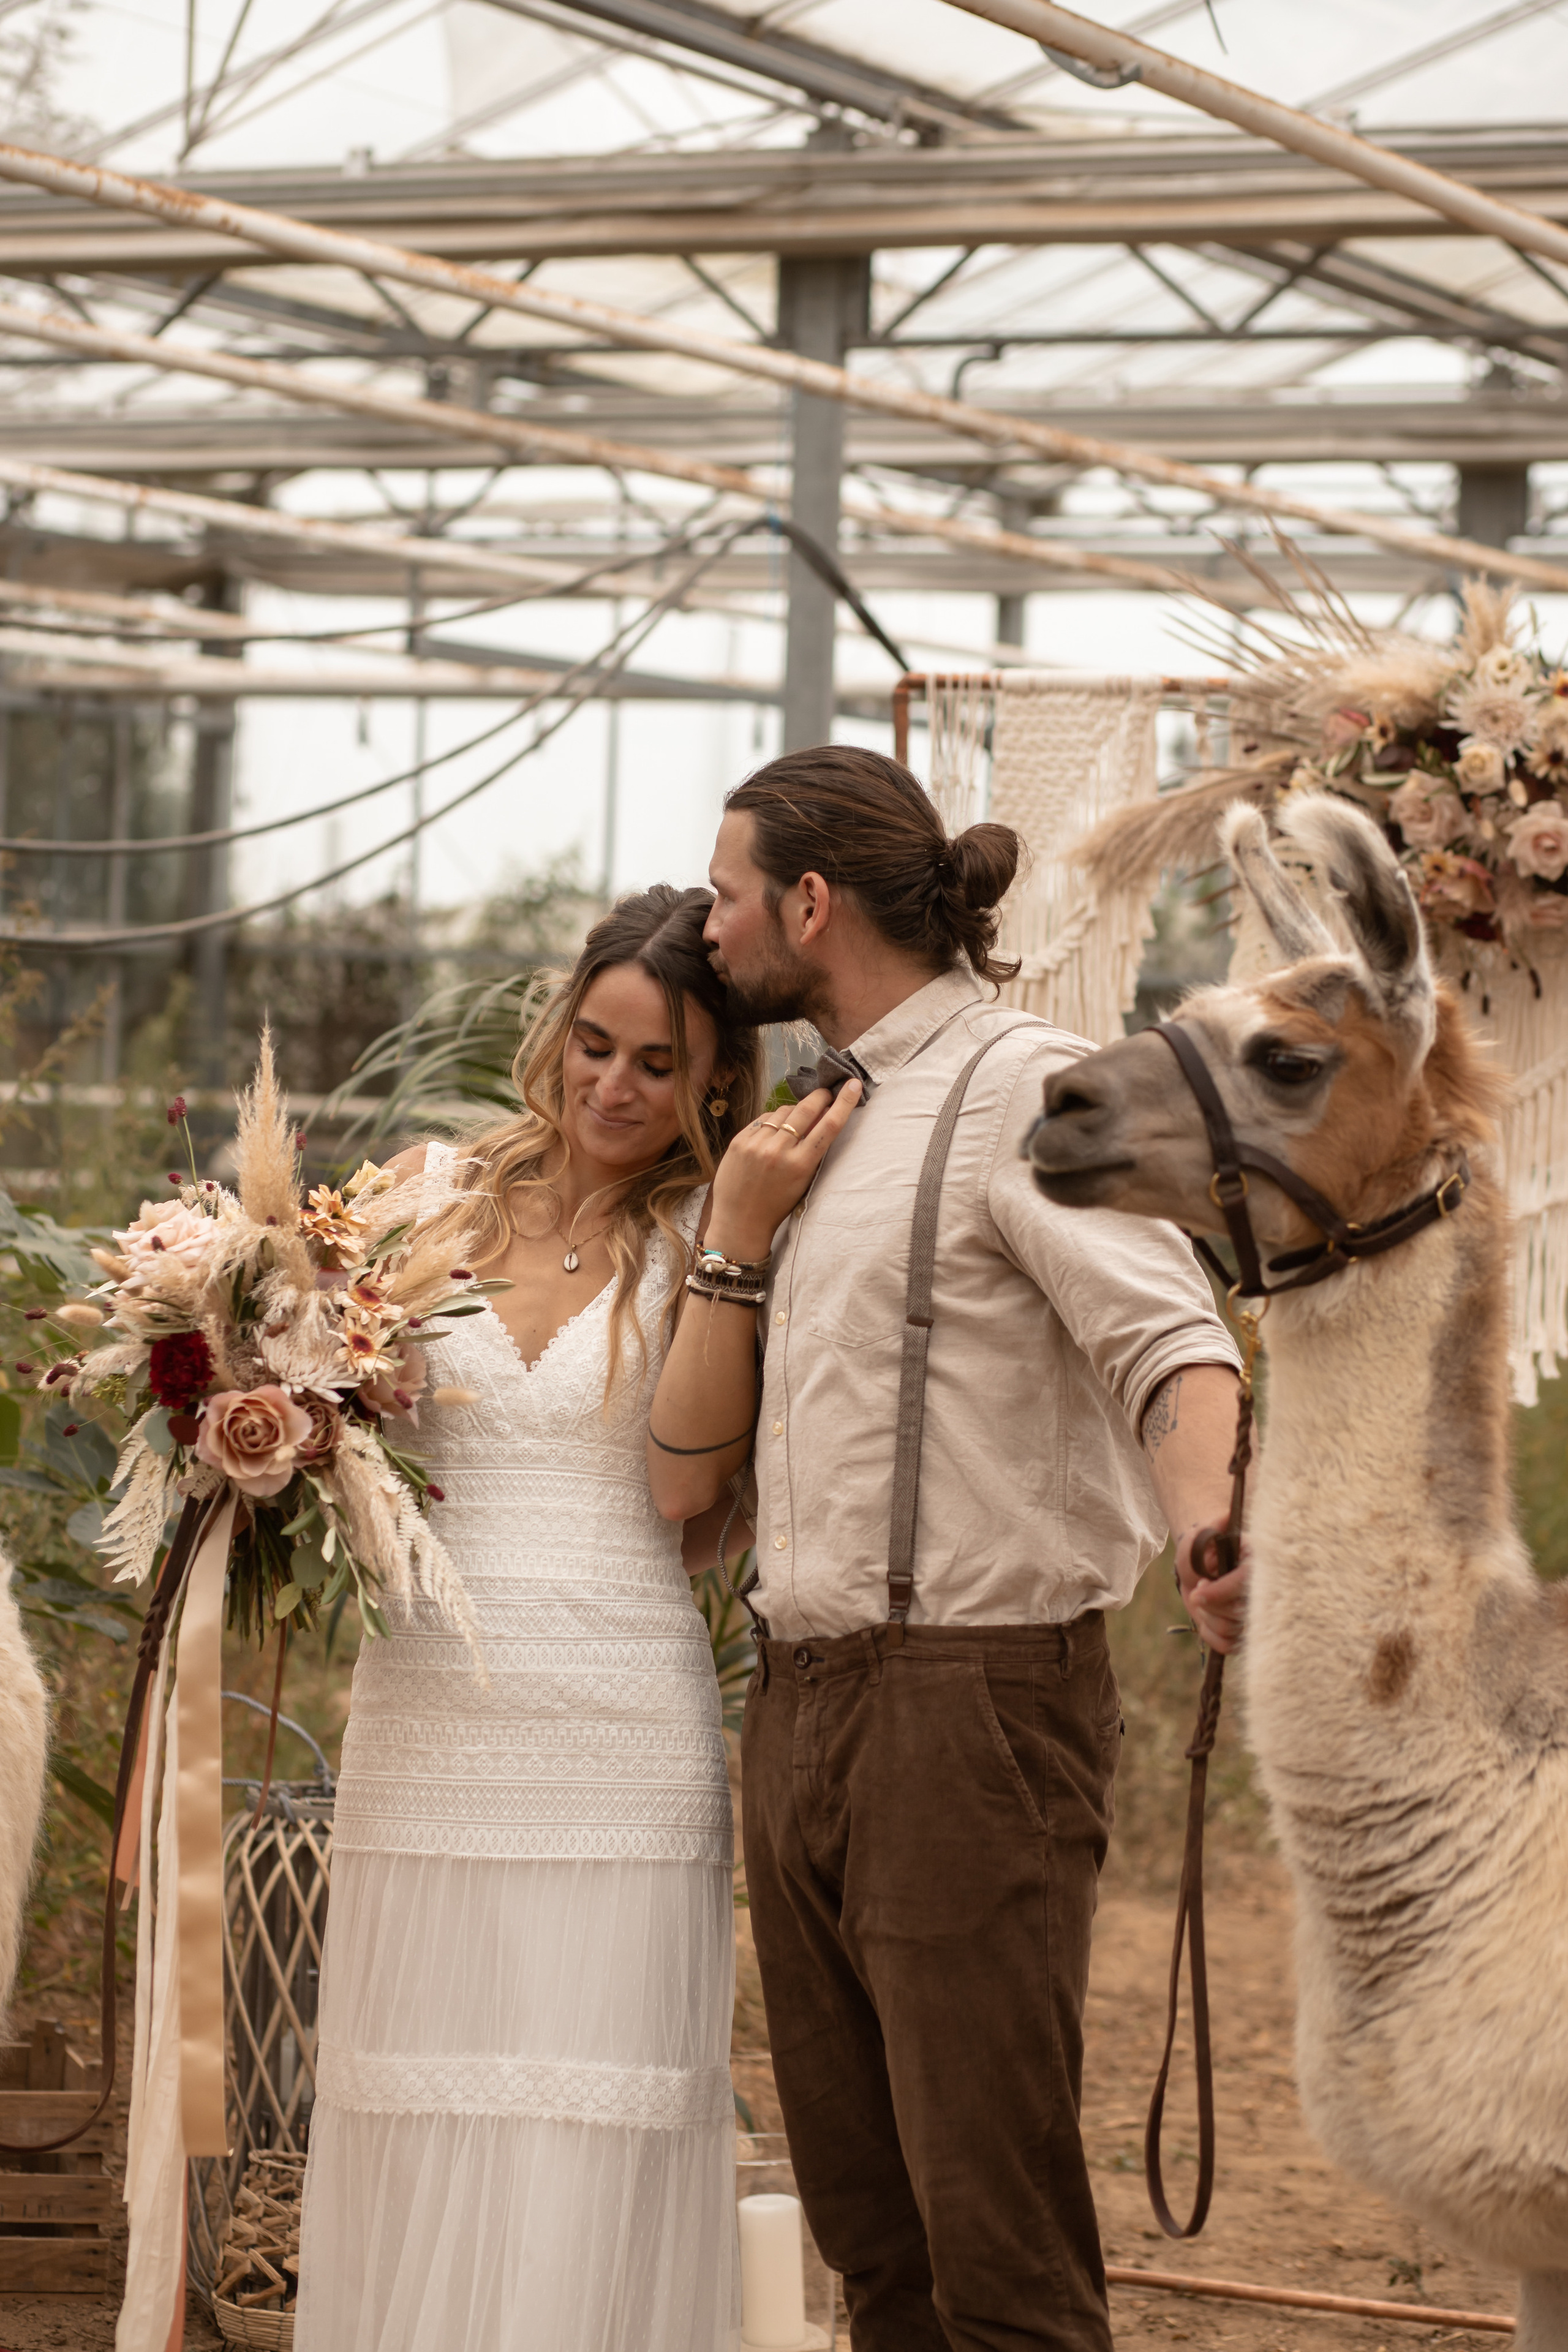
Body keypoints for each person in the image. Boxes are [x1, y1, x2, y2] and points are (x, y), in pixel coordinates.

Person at [648, 747, 1247, 2352]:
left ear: (813, 902)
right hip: (802, 1707)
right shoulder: (812, 1118)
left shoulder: (1031, 1086)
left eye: (726, 895)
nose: (708, 927)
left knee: (995, 2245)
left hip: (970, 1719)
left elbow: (1168, 1340)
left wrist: (1212, 1524)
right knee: (871, 2235)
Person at [295, 887, 764, 2352]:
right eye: (597, 1045)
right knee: (417, 2083)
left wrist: (740, 1242)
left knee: (596, 2106)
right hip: (431, 1715)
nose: (612, 1088)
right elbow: (321, 1417)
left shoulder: (716, 1239)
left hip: (623, 1728)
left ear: (712, 1089)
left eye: (658, 1067)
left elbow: (706, 1512)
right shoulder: (419, 1198)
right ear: (557, 1030)